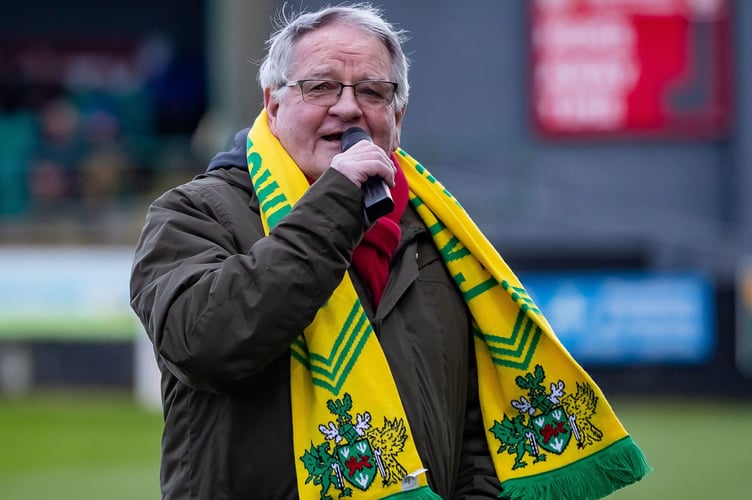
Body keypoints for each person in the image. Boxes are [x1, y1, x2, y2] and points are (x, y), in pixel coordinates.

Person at [130, 4, 650, 499]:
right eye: (321, 86)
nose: (349, 106)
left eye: (374, 92)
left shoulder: (439, 234)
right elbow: (206, 343)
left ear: (398, 113)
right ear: (273, 101)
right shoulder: (193, 213)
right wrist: (334, 205)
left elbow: (479, 433)